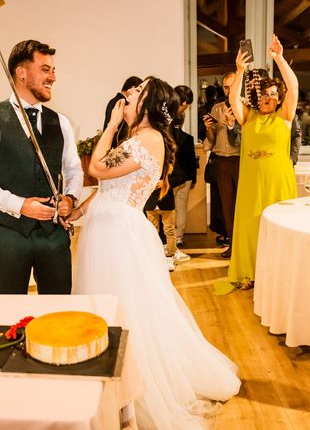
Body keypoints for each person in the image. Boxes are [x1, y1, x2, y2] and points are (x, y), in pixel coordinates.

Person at [69, 77, 240, 429]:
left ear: (148, 103)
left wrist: (113, 123)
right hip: (106, 228)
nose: (127, 95)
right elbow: (105, 188)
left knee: (129, 313)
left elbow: (96, 168)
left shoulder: (149, 139)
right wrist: (77, 212)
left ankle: (135, 390)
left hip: (119, 236)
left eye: (136, 92)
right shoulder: (136, 139)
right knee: (110, 309)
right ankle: (109, 383)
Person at [0, 40, 83, 294]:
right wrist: (19, 205)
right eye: (45, 69)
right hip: (7, 235)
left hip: (53, 236)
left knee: (59, 313)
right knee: (8, 313)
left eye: (53, 70)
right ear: (21, 72)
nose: (53, 77)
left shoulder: (60, 122)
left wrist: (70, 198)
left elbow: (74, 169)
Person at [219, 35, 298, 293]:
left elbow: (294, 87)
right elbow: (233, 100)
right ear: (257, 96)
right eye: (264, 94)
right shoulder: (248, 117)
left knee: (279, 229)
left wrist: (279, 58)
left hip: (278, 183)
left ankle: (280, 275)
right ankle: (249, 274)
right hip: (252, 184)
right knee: (251, 227)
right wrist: (240, 70)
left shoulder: (284, 116)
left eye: (274, 95)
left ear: (279, 98)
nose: (269, 98)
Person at [143, 85, 195, 269]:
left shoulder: (172, 148)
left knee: (170, 227)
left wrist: (165, 182)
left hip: (166, 193)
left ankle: (170, 253)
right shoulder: (146, 146)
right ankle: (154, 252)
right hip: (150, 198)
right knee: (152, 227)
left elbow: (181, 172)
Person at [204, 72, 241, 259]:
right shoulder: (216, 108)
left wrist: (232, 123)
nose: (228, 90)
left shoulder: (246, 107)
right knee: (227, 206)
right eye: (226, 87)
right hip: (220, 161)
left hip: (240, 160)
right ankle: (232, 244)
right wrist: (209, 128)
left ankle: (245, 245)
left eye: (231, 86)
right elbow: (210, 141)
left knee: (242, 205)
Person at [173, 85, 198, 249]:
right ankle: (178, 238)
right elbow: (191, 162)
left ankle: (165, 236)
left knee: (167, 209)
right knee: (180, 208)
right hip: (183, 178)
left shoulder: (163, 136)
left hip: (168, 177)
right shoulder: (188, 139)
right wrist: (193, 179)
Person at [103, 76, 143, 148]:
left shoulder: (113, 100)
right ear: (132, 87)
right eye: (137, 90)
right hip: (117, 144)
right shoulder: (123, 102)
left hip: (109, 142)